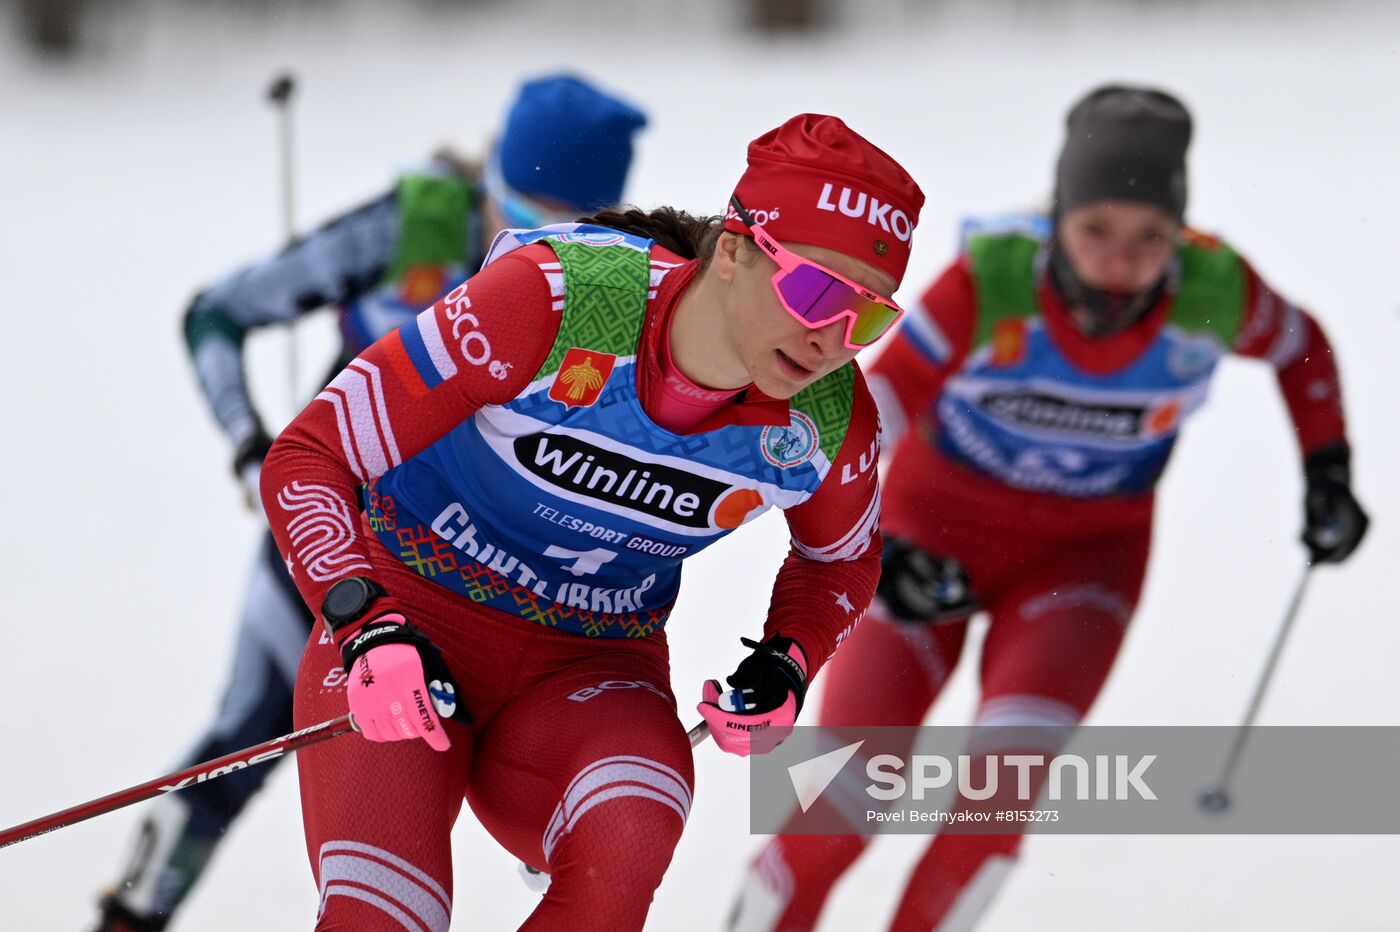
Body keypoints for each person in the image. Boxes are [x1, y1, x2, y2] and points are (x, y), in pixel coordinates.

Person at [255, 112, 923, 930]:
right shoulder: (558, 302)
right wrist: (362, 621)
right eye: (815, 291)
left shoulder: (823, 419)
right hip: (412, 629)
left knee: (636, 817)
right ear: (736, 249)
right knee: (385, 918)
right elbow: (310, 455)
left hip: (590, 668)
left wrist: (787, 662)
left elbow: (841, 561)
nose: (831, 338)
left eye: (868, 318)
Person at [727, 85, 1369, 932]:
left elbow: (1302, 347)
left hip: (1083, 567)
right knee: (849, 795)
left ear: (1180, 231)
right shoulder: (992, 282)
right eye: (1096, 228)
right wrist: (883, 542)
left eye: (1151, 236)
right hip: (932, 540)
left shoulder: (1213, 290)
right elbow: (871, 413)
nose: (1122, 259)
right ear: (1059, 214)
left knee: (996, 802)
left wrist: (1328, 469)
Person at [93, 73, 649, 932]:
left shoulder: (609, 290)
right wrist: (250, 446)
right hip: (338, 535)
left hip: (481, 580)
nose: (533, 251)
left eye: (568, 233)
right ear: (487, 184)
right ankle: (129, 916)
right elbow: (215, 314)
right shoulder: (412, 230)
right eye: (518, 214)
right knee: (244, 740)